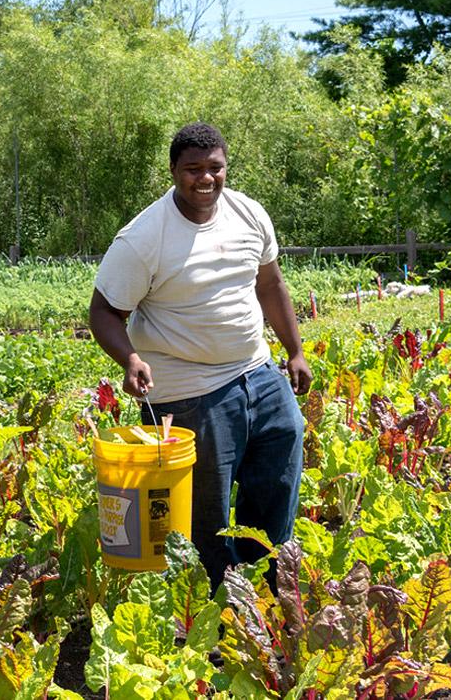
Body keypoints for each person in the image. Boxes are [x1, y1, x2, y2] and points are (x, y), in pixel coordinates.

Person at [88, 122, 312, 584]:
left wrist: (294, 350)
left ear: (226, 168)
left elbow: (269, 284)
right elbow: (104, 312)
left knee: (281, 466)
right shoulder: (143, 238)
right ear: (173, 171)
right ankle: (215, 603)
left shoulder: (249, 214)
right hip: (189, 391)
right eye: (193, 169)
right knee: (204, 508)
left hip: (257, 370)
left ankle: (265, 582)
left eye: (215, 168)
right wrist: (130, 359)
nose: (205, 179)